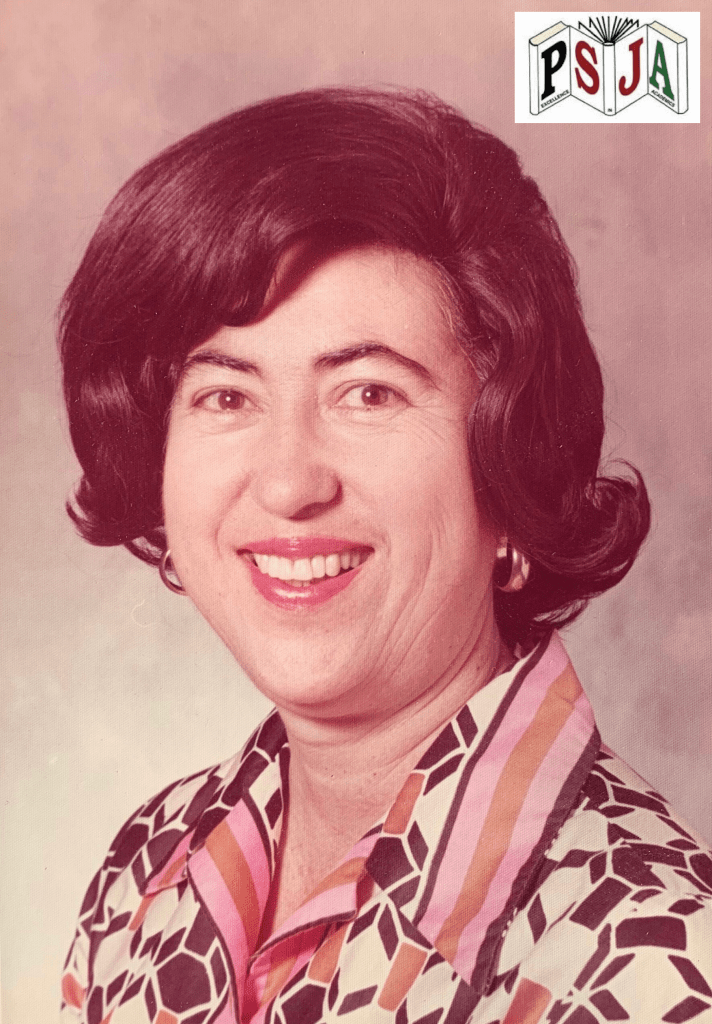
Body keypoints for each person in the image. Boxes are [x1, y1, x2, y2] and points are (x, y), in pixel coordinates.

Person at [59, 88, 712, 1024]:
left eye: (369, 394)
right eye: (226, 396)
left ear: (510, 468)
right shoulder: (146, 874)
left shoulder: (655, 959)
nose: (289, 483)